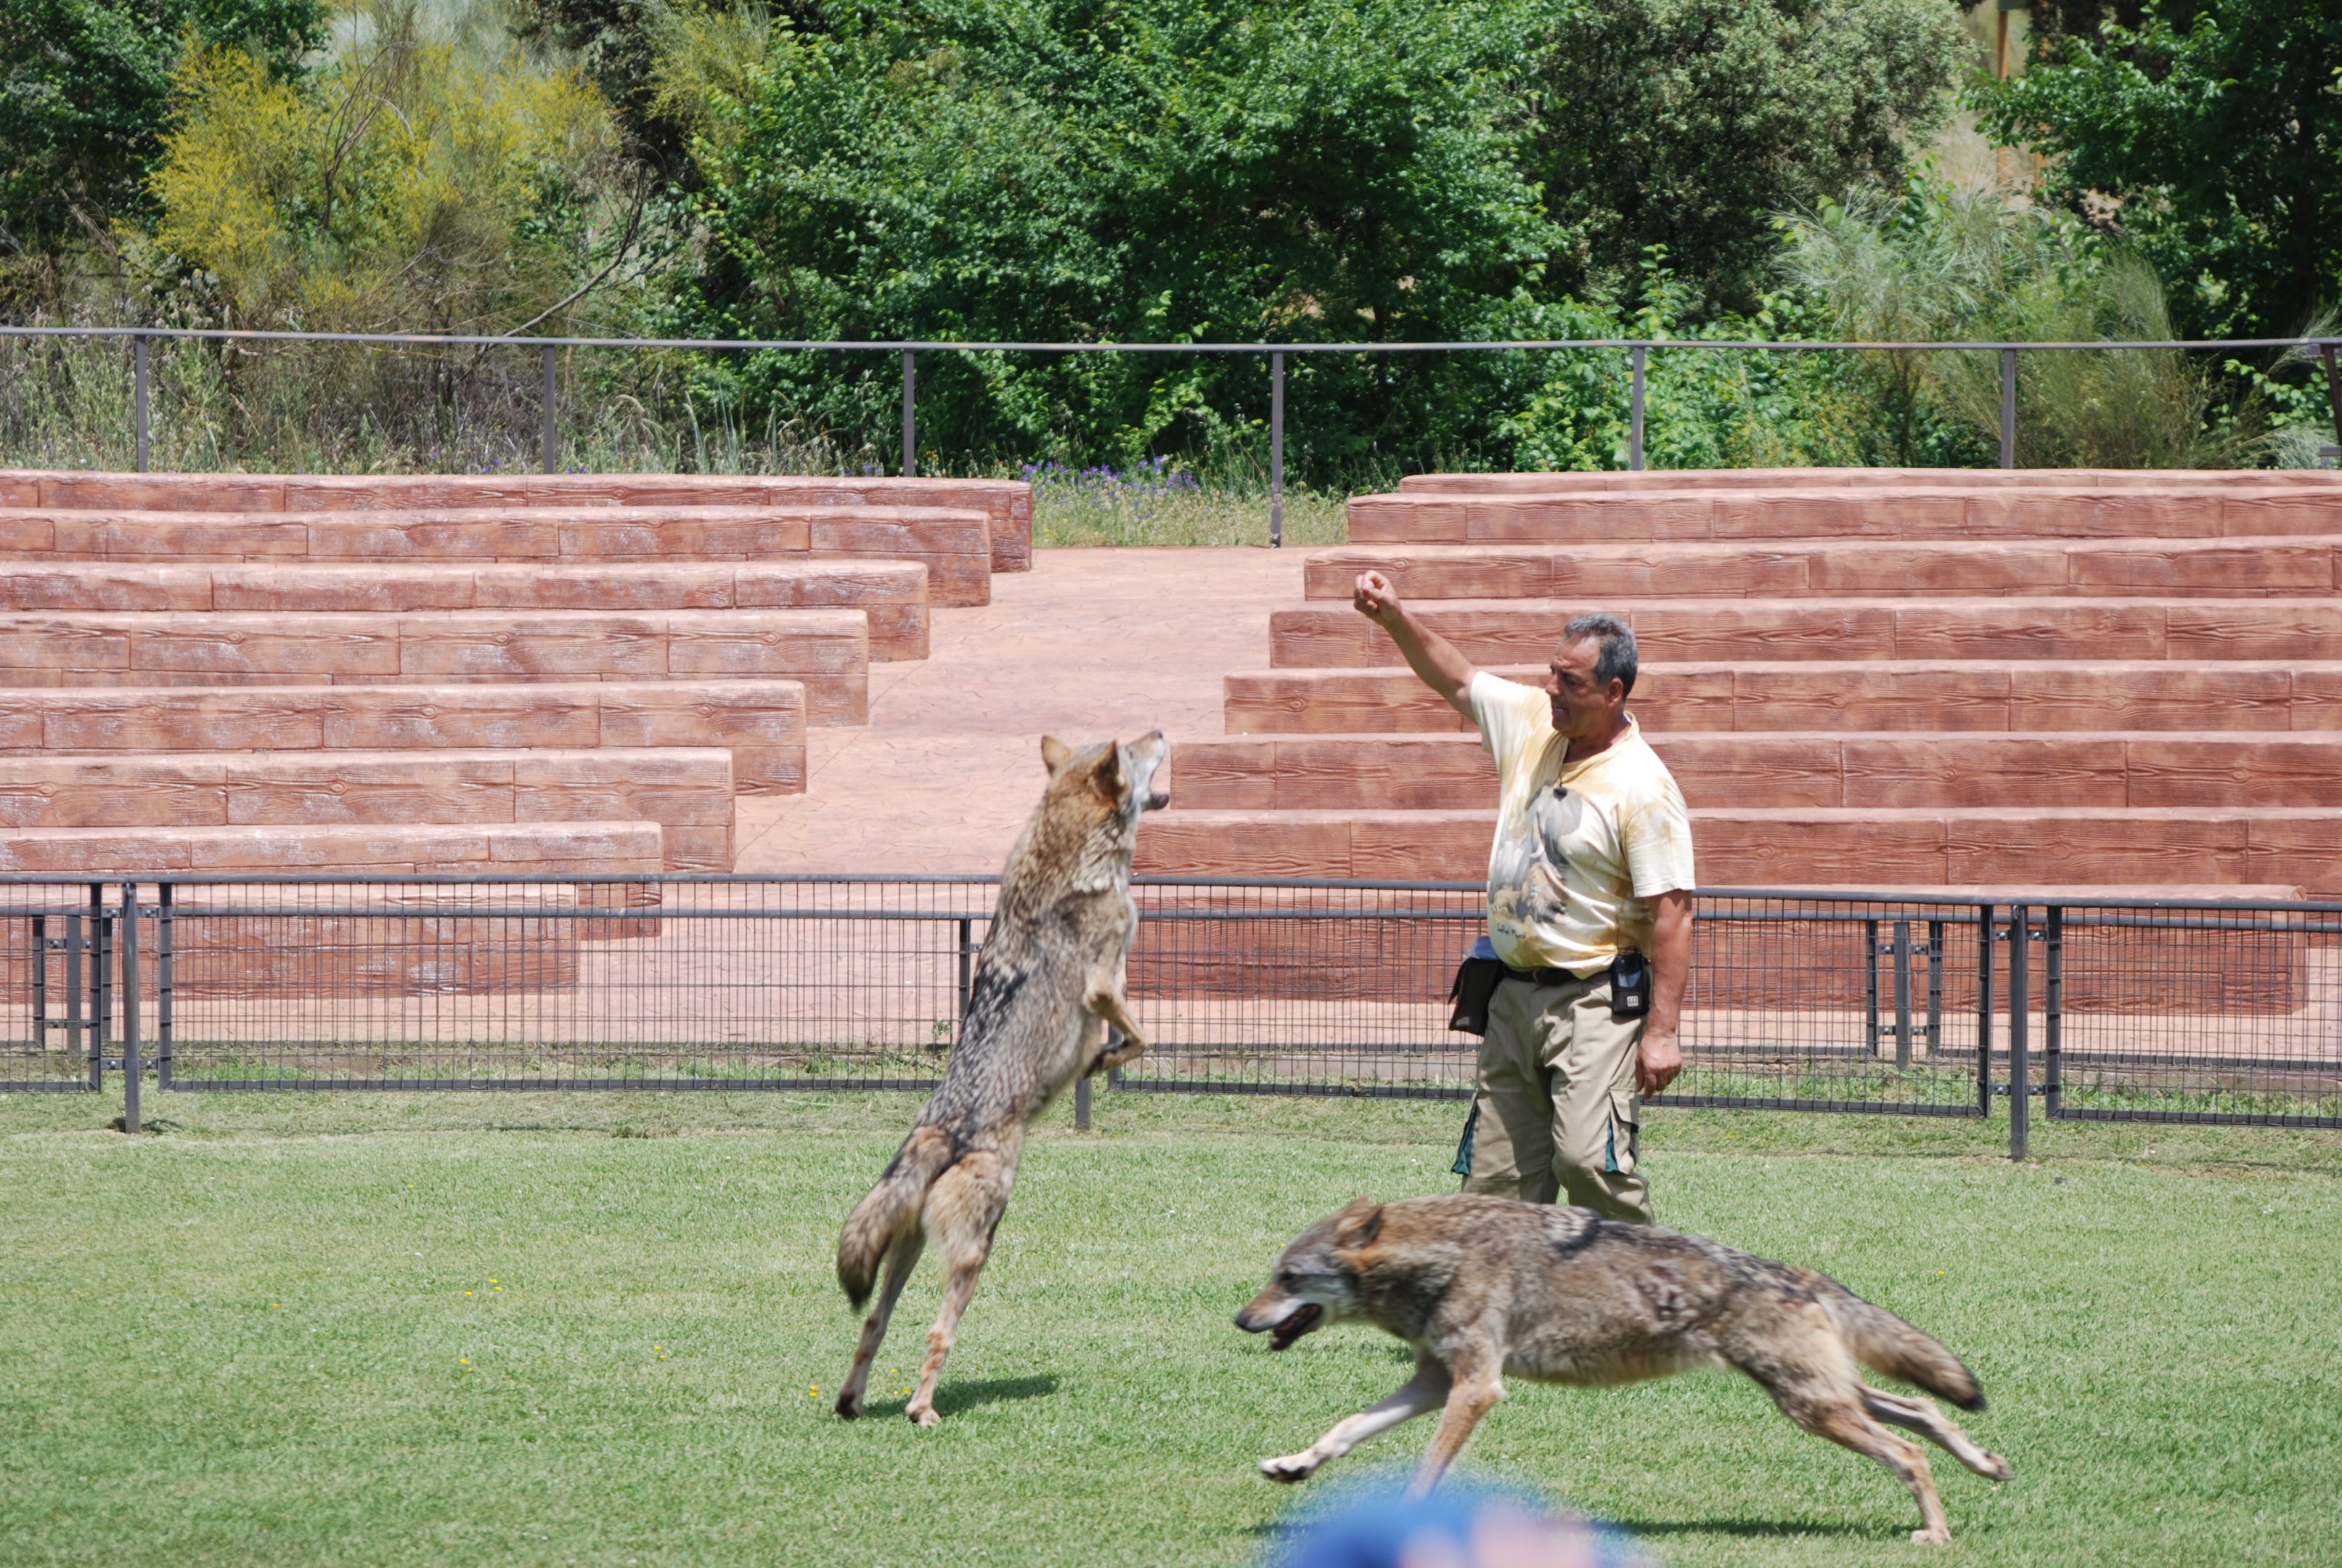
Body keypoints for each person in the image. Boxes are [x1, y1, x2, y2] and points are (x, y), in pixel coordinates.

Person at [1352, 571, 1693, 1223]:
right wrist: (1393, 617)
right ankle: (1496, 1319)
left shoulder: (1644, 785)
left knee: (1590, 1162)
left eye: (1570, 681)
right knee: (1495, 1187)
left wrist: (1663, 1033)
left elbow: (1674, 913)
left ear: (1614, 692)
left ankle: (1649, 1301)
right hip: (1509, 994)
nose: (1551, 689)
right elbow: (1456, 679)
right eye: (1551, 673)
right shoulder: (1536, 722)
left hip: (1595, 999)